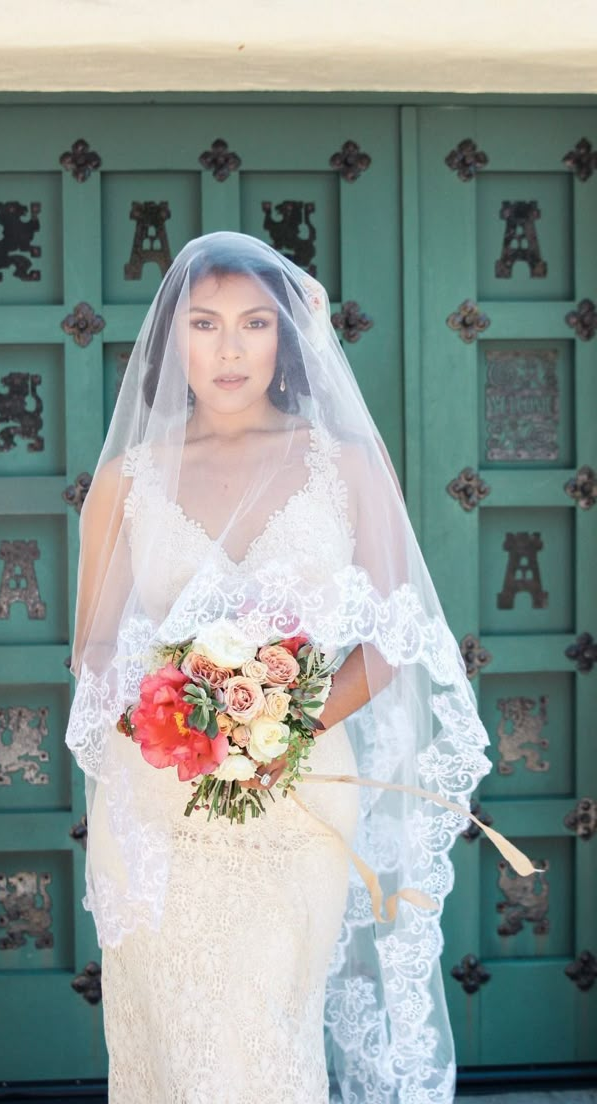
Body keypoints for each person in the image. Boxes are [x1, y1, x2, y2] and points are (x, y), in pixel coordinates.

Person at [64, 231, 536, 1103]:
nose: (230, 348)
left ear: (287, 337)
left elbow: (394, 637)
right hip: (162, 809)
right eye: (205, 324)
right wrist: (180, 717)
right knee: (180, 1049)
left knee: (263, 1033)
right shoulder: (127, 481)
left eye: (253, 323)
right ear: (172, 340)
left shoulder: (348, 467)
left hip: (302, 801)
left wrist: (280, 724)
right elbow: (92, 649)